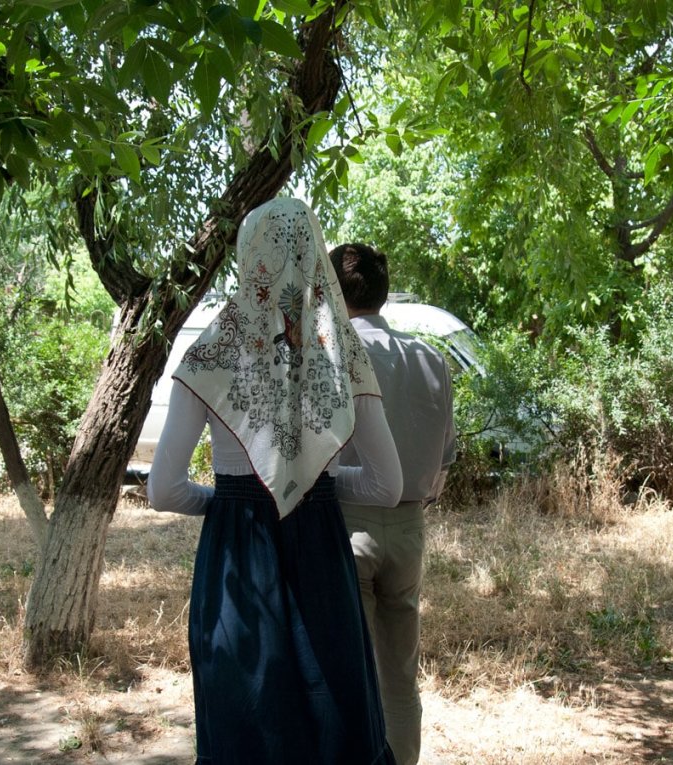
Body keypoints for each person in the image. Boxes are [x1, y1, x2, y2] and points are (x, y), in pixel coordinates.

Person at [148, 198, 403, 765]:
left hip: (237, 559)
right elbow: (388, 486)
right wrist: (319, 484)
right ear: (314, 254)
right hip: (321, 556)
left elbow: (163, 490)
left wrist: (230, 502)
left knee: (248, 728)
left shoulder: (210, 351)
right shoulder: (344, 354)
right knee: (333, 730)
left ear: (249, 254)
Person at [329, 243, 457, 765]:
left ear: (333, 294)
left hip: (346, 521)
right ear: (383, 292)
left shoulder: (332, 355)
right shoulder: (430, 359)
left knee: (347, 673)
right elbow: (445, 459)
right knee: (400, 677)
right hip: (409, 526)